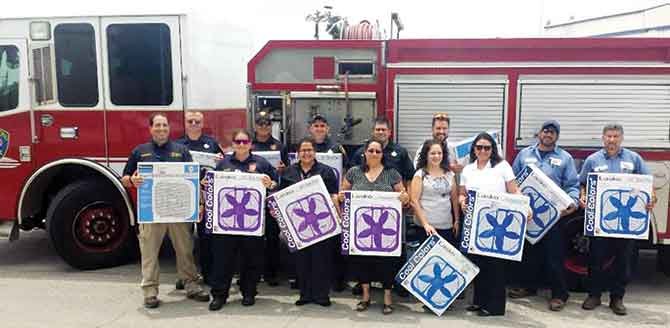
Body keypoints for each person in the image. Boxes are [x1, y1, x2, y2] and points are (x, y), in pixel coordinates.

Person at [122, 113, 210, 309]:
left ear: (169, 129)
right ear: (151, 128)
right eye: (158, 125)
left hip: (179, 211)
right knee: (149, 252)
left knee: (185, 249)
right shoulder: (140, 151)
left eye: (164, 125)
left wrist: (200, 204)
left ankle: (191, 285)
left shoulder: (182, 151)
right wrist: (132, 181)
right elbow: (125, 178)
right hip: (152, 212)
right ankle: (150, 291)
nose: (161, 129)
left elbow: (193, 180)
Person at [578, 123, 656, 316]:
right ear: (603, 138)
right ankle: (594, 295)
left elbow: (648, 185)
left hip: (626, 224)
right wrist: (582, 196)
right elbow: (582, 184)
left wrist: (651, 198)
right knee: (596, 259)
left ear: (621, 138)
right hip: (600, 222)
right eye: (608, 136)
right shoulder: (592, 160)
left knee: (623, 261)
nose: (611, 140)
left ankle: (617, 298)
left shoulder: (634, 159)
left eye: (615, 136)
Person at [508, 120, 579, 311]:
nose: (548, 135)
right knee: (529, 254)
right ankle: (529, 287)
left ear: (557, 136)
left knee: (553, 256)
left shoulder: (565, 158)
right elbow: (512, 181)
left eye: (553, 132)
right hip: (528, 214)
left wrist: (572, 202)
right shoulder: (524, 154)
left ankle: (560, 294)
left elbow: (572, 184)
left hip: (553, 217)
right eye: (545, 131)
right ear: (539, 133)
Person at [208, 129, 279, 311]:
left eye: (244, 141)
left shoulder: (262, 164)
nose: (241, 145)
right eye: (238, 142)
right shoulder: (223, 164)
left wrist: (269, 184)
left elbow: (276, 184)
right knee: (223, 260)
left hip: (252, 222)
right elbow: (213, 189)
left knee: (252, 259)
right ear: (232, 144)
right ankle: (219, 295)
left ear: (250, 144)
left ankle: (249, 292)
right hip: (226, 223)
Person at [338, 138, 410, 315]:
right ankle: (365, 296)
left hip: (385, 228)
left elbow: (404, 195)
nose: (374, 154)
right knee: (362, 262)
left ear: (382, 154)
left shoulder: (391, 173)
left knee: (386, 262)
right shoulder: (354, 172)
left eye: (378, 151)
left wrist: (404, 197)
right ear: (365, 152)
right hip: (361, 229)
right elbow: (342, 194)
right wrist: (340, 197)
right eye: (371, 150)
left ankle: (387, 297)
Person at [458, 132, 524, 316]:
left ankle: (494, 306)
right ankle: (479, 301)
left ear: (492, 149)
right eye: (479, 147)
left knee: (495, 265)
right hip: (475, 222)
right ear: (474, 149)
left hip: (497, 223)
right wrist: (462, 201)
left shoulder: (502, 166)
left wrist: (526, 207)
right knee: (478, 263)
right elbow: (462, 193)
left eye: (487, 147)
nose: (483, 150)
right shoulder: (467, 170)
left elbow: (513, 190)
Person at [280, 137, 339, 306]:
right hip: (298, 224)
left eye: (309, 150)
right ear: (298, 153)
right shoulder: (288, 172)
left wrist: (338, 216)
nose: (306, 153)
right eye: (303, 150)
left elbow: (334, 195)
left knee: (322, 259)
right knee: (302, 260)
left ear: (315, 152)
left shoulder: (326, 172)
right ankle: (305, 294)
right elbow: (281, 197)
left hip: (321, 223)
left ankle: (322, 295)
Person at [175, 111, 222, 288]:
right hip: (185, 195)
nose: (194, 123)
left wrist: (217, 164)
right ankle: (185, 276)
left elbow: (221, 167)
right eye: (190, 121)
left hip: (206, 196)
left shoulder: (212, 143)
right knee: (183, 239)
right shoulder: (177, 145)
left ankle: (208, 274)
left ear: (202, 124)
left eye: (197, 121)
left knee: (206, 237)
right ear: (185, 124)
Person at [307, 113, 349, 292]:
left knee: (334, 241)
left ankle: (337, 279)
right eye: (316, 126)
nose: (319, 129)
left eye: (322, 126)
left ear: (327, 129)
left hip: (332, 200)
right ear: (310, 128)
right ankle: (308, 278)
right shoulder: (304, 147)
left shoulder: (337, 148)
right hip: (309, 203)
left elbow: (346, 171)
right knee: (310, 241)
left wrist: (341, 195)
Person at [252, 111, 289, 287]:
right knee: (252, 239)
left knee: (272, 237)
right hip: (251, 199)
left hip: (271, 197)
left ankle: (271, 273)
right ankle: (254, 272)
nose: (264, 126)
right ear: (255, 125)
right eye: (260, 123)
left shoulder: (279, 146)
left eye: (267, 123)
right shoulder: (248, 144)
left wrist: (282, 170)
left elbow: (288, 170)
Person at [410, 139, 460, 245]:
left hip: (447, 225)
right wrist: (426, 225)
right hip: (426, 228)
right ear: (426, 155)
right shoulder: (420, 174)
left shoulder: (450, 174)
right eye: (432, 153)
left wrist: (456, 220)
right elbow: (414, 201)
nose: (436, 156)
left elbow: (454, 199)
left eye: (439, 153)